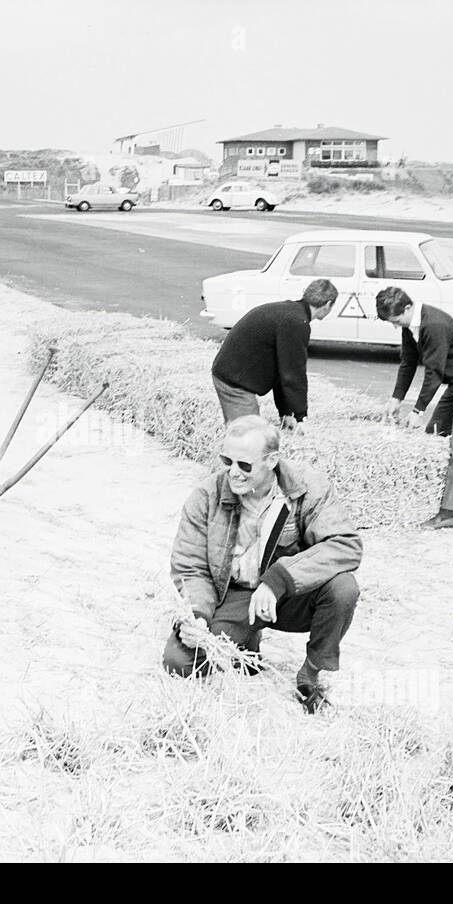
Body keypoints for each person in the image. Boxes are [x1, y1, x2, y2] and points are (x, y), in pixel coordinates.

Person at [165, 415, 362, 712]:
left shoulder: (308, 486)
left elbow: (346, 544)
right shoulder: (207, 495)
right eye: (226, 460)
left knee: (343, 587)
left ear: (272, 460)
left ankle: (312, 672)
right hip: (234, 593)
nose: (233, 473)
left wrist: (278, 580)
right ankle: (247, 642)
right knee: (180, 662)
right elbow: (190, 566)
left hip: (288, 593)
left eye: (245, 465)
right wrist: (198, 615)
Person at [376, 287, 453, 530]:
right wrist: (396, 399)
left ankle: (449, 513)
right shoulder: (411, 325)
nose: (396, 326)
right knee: (434, 436)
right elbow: (408, 362)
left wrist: (418, 410)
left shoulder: (434, 324)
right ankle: (430, 500)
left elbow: (435, 372)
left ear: (408, 308)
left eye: (397, 320)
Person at [210, 278, 339, 430]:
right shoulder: (296, 322)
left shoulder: (290, 312)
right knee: (248, 440)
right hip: (234, 381)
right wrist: (300, 417)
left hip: (231, 372)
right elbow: (294, 373)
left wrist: (287, 412)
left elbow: (282, 369)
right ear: (328, 304)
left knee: (246, 438)